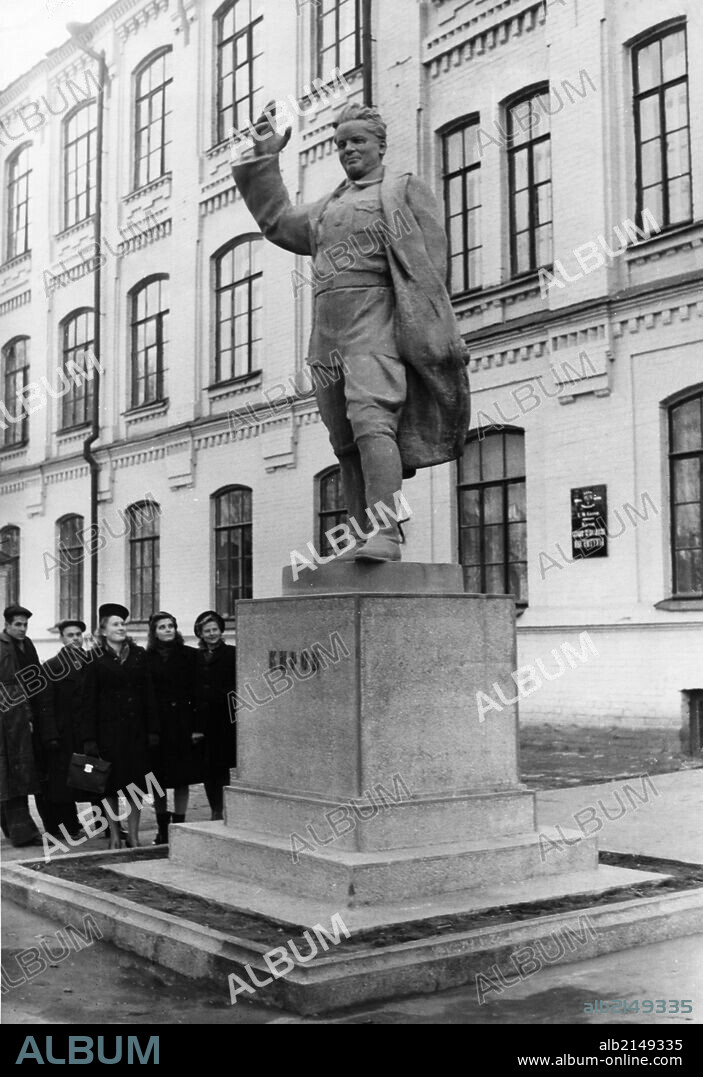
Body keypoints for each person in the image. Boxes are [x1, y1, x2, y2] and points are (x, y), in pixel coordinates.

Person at [231, 101, 471, 562]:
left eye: (357, 140)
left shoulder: (402, 192)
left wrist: (434, 331)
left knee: (372, 421)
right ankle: (363, 534)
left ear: (381, 145)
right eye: (341, 143)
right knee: (343, 440)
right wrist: (265, 158)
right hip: (328, 332)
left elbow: (430, 269)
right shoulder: (328, 206)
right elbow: (277, 222)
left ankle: (388, 532)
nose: (348, 150)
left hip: (376, 322)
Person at [79, 604, 159, 849]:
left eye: (123, 624)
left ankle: (133, 835)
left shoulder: (138, 655)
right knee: (110, 785)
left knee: (135, 785)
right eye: (115, 624)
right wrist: (89, 738)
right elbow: (87, 701)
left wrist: (153, 729)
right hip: (108, 734)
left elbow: (149, 694)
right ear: (103, 630)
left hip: (135, 732)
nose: (121, 628)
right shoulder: (94, 660)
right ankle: (115, 834)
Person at [146, 611, 205, 844]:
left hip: (183, 724)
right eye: (162, 627)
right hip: (158, 727)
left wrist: (197, 727)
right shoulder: (146, 657)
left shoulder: (190, 655)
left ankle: (179, 826)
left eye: (171, 625)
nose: (167, 630)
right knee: (157, 779)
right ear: (154, 632)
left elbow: (199, 694)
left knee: (182, 777)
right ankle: (162, 829)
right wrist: (149, 729)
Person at [36, 619, 91, 841]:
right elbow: (45, 704)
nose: (75, 638)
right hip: (64, 734)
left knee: (94, 776)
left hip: (87, 732)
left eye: (78, 634)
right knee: (63, 783)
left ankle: (105, 823)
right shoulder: (51, 666)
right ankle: (69, 824)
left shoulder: (92, 663)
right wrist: (50, 735)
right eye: (70, 635)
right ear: (61, 638)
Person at [0, 605, 43, 846]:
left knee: (18, 773)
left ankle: (17, 830)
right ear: (7, 624)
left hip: (20, 716)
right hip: (6, 718)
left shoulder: (27, 645)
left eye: (25, 625)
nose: (22, 629)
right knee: (9, 773)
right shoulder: (2, 645)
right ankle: (21, 833)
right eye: (18, 624)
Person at [193, 611, 236, 821]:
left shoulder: (232, 653)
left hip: (225, 720)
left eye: (215, 630)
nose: (212, 634)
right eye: (207, 631)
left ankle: (226, 808)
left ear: (221, 631)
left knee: (224, 767)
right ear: (200, 634)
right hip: (203, 722)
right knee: (208, 769)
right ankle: (215, 809)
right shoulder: (196, 657)